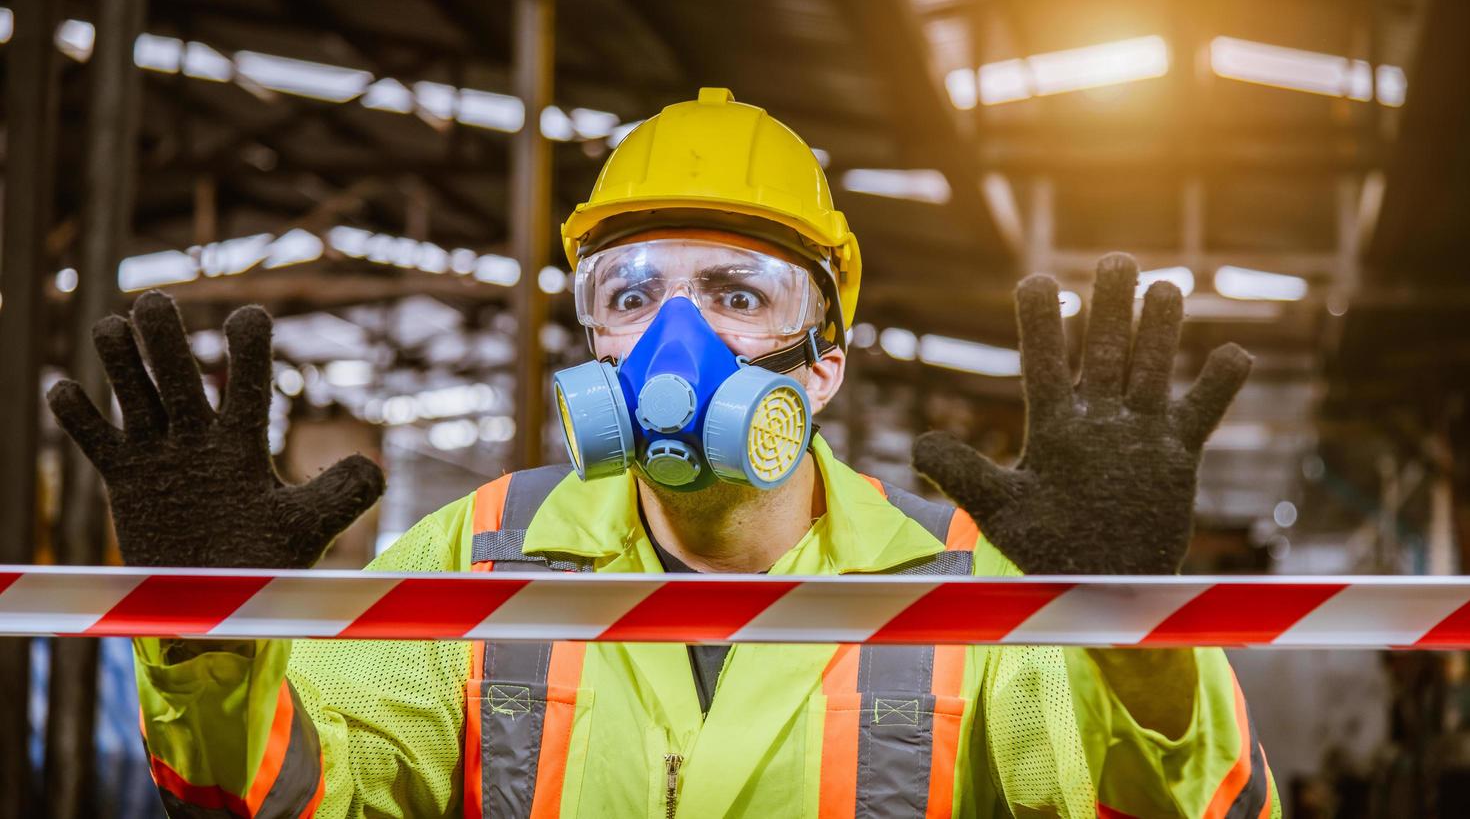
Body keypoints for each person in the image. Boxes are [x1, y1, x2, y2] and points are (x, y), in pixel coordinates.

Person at [50, 87, 1276, 818]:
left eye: (741, 292)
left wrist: (1137, 636)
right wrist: (208, 637)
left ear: (825, 354)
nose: (670, 341)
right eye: (629, 290)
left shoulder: (965, 587)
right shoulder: (479, 556)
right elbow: (289, 796)